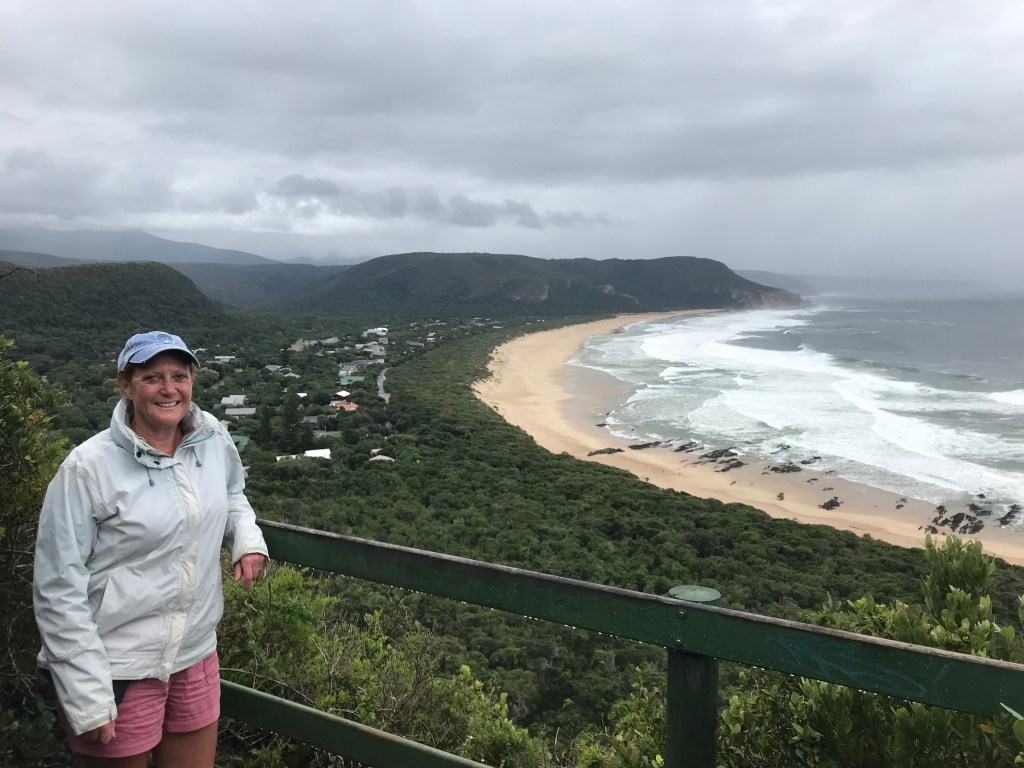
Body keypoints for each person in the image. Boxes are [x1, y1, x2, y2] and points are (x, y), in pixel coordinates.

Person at [32, 331, 269, 767]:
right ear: (126, 385)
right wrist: (86, 692)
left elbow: (232, 494)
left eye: (179, 376)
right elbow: (57, 587)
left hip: (195, 652)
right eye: (152, 377)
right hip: (116, 667)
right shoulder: (87, 469)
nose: (168, 388)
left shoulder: (210, 437)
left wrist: (247, 540)